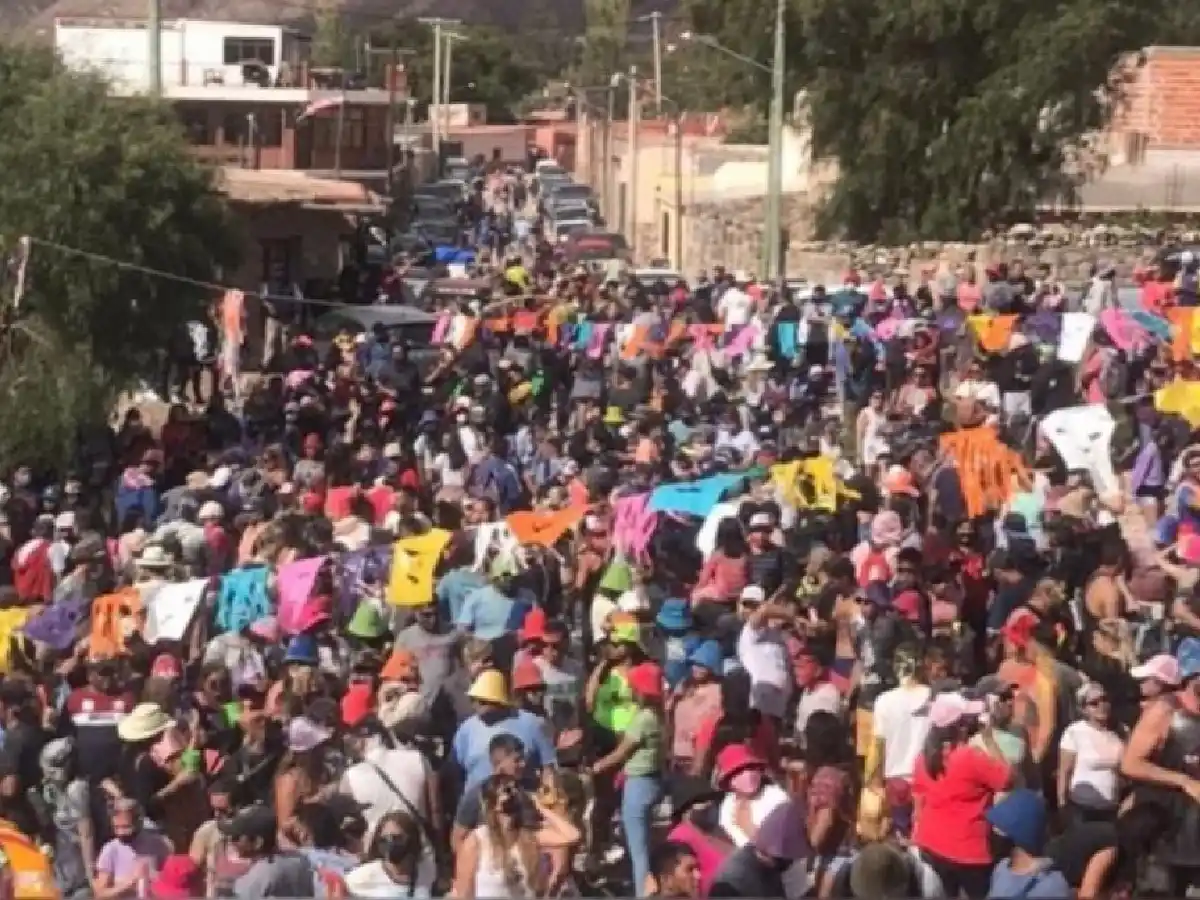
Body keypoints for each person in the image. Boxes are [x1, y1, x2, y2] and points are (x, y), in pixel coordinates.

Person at [911, 693, 1012, 899]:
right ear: (961, 726)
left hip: (930, 843)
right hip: (968, 852)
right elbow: (1008, 779)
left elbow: (919, 800)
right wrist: (989, 738)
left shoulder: (924, 757)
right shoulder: (970, 757)